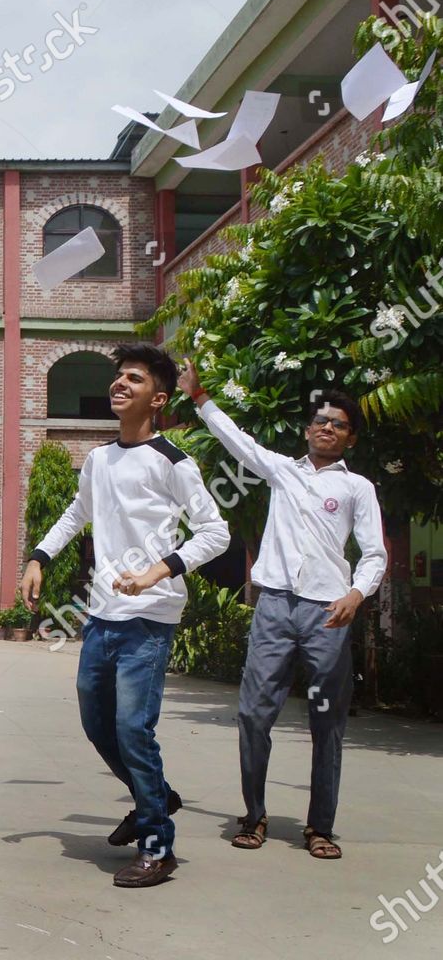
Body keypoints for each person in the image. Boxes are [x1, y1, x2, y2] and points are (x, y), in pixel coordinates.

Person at [20, 343, 230, 888]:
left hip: (151, 617)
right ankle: (154, 797)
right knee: (97, 724)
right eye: (118, 377)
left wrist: (160, 569)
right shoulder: (98, 459)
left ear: (158, 399)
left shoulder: (174, 462)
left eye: (133, 379)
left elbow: (216, 533)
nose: (119, 385)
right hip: (102, 616)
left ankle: (159, 847)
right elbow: (76, 512)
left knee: (133, 729)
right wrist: (40, 555)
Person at [178, 365, 386, 860]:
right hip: (273, 607)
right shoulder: (282, 471)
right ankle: (254, 816)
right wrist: (200, 395)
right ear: (308, 429)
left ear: (349, 438)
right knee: (253, 714)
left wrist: (356, 595)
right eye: (320, 421)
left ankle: (320, 827)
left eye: (338, 424)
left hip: (327, 614)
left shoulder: (357, 489)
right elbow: (238, 442)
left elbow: (374, 553)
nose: (326, 428)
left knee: (326, 722)